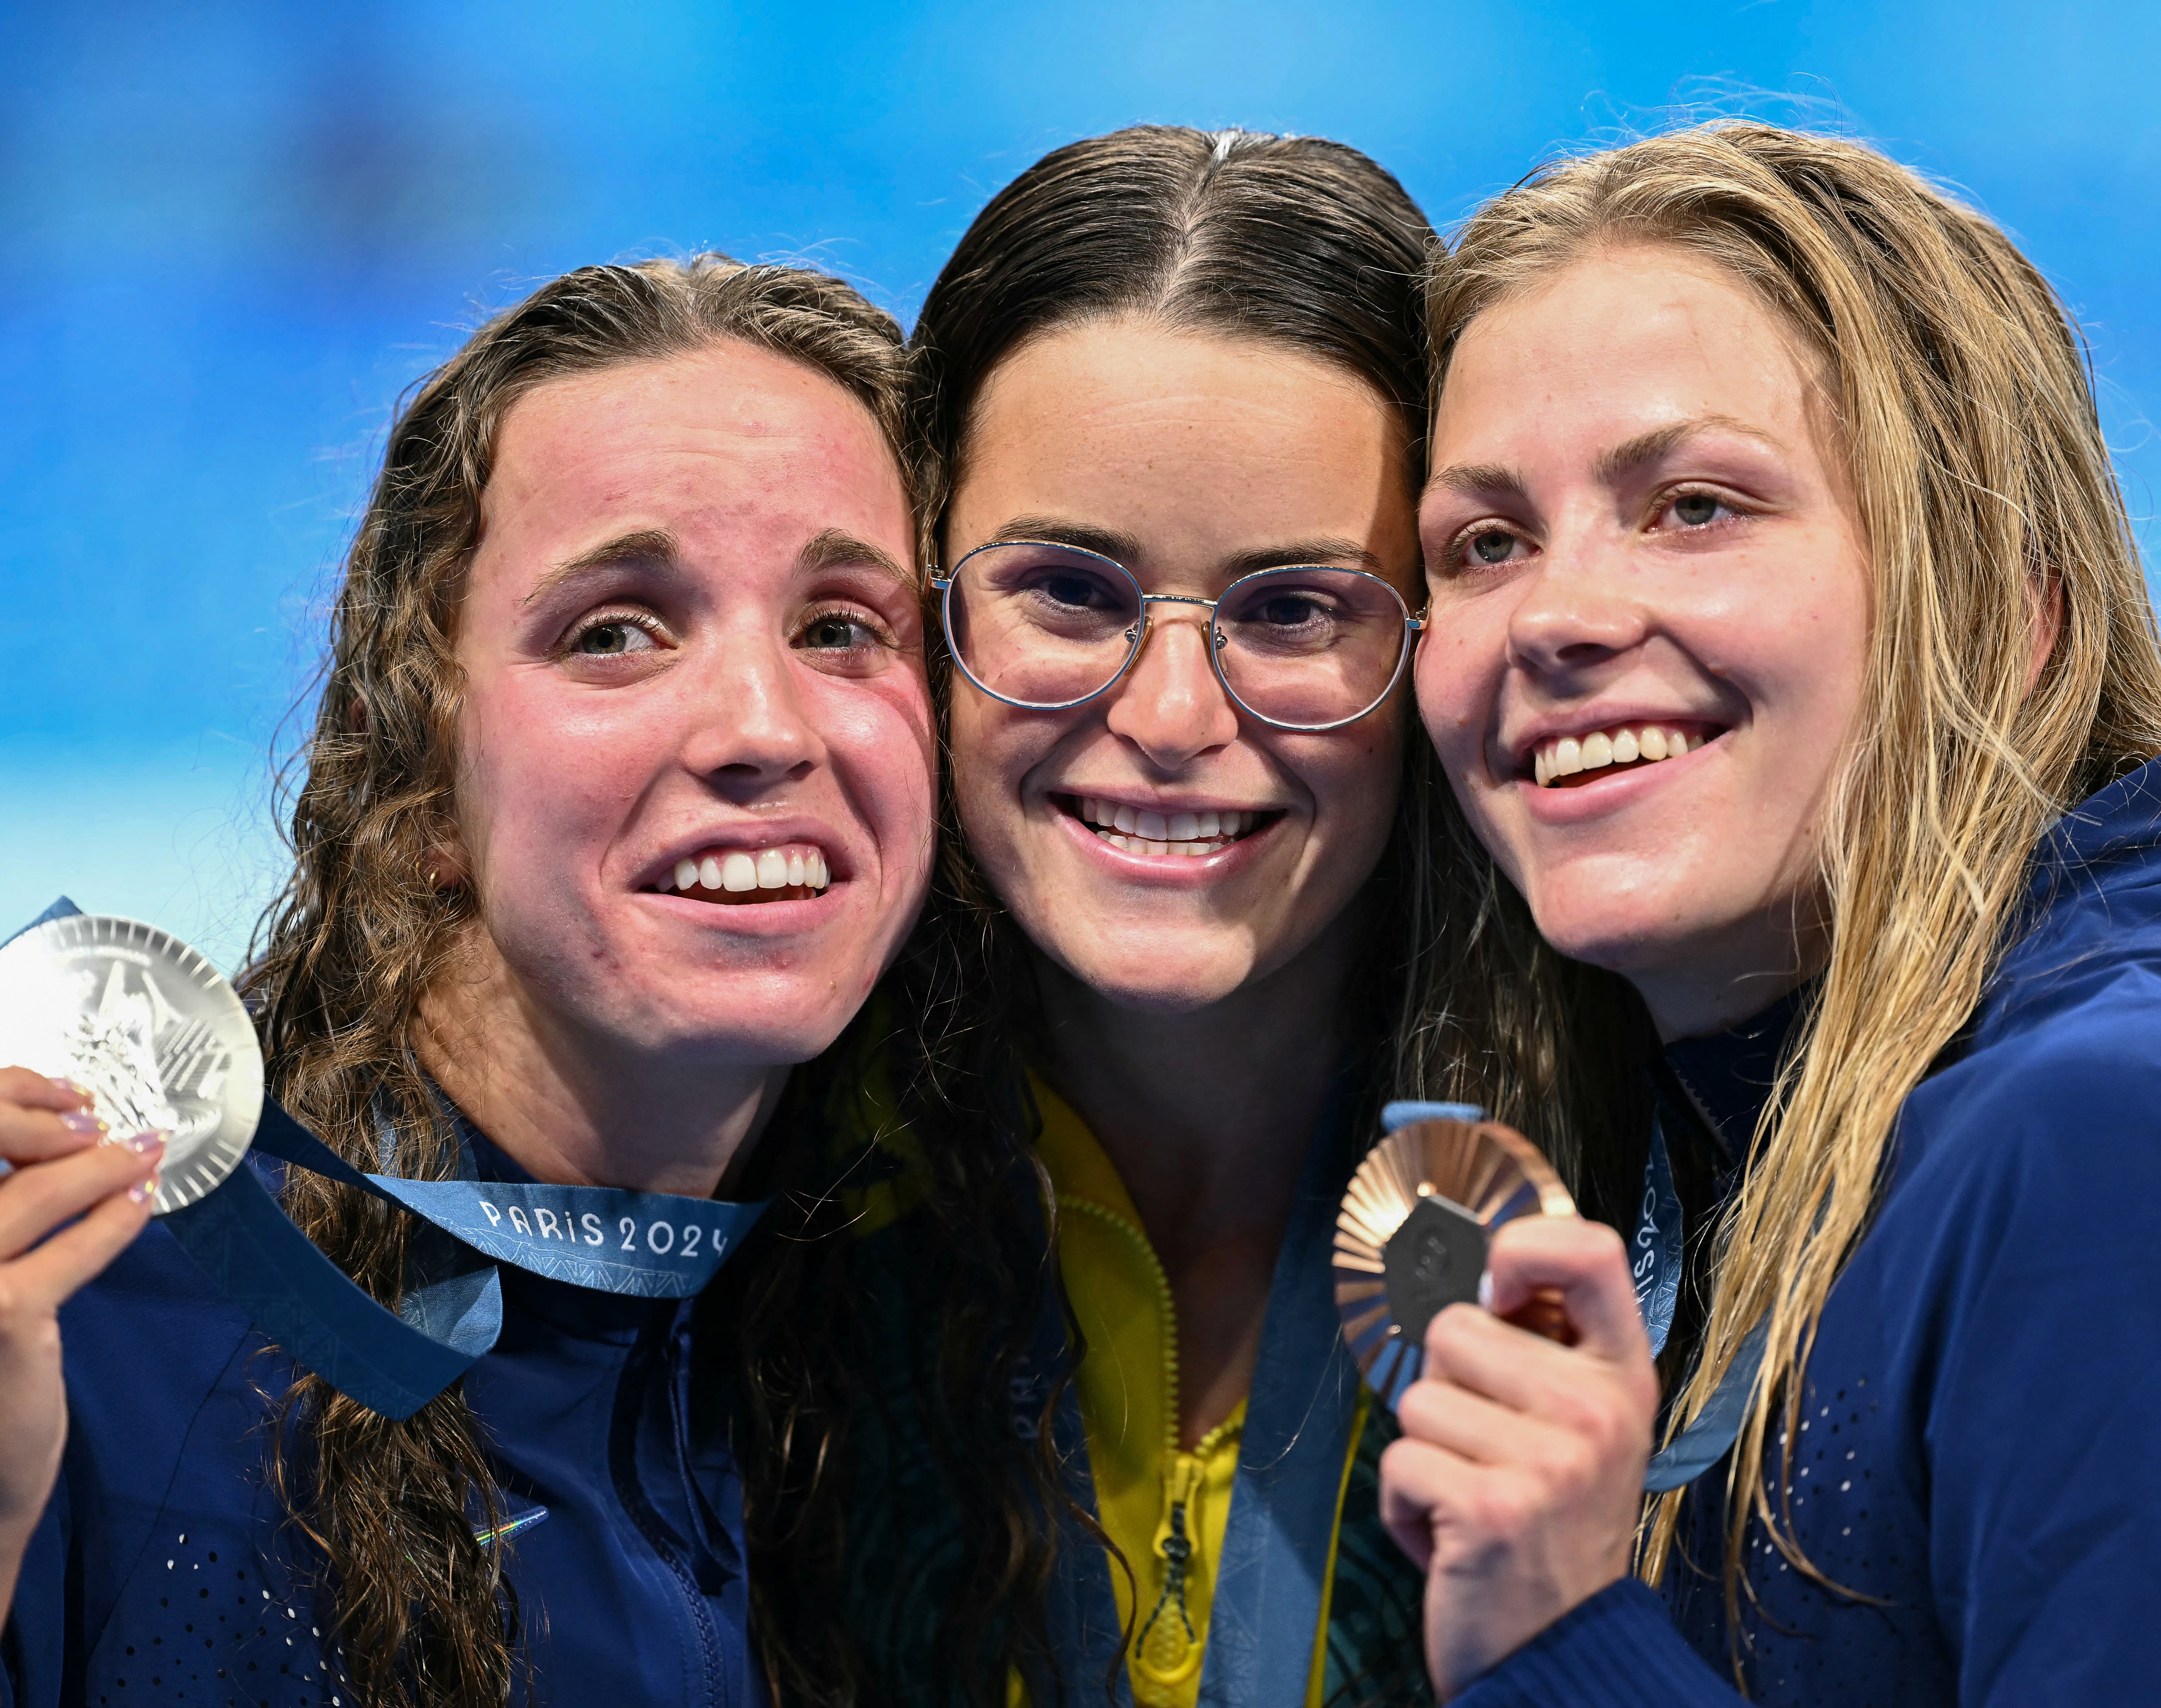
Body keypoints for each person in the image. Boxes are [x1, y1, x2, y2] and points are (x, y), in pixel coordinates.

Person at [1379, 121, 2161, 1704]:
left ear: (2003, 598)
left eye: (1697, 505)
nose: (1560, 617)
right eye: (1487, 542)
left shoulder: (2117, 1134)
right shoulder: (1744, 1111)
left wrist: (1565, 1645)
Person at [0, 255, 935, 1707]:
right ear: (419, 774)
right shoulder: (89, 1325)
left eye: (841, 627)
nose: (764, 724)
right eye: (614, 631)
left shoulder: (908, 1372)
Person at [746, 126, 1495, 1708]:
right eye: (1069, 590)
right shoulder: (738, 1200)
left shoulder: (1638, 1209)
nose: (1167, 714)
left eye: (1295, 608)